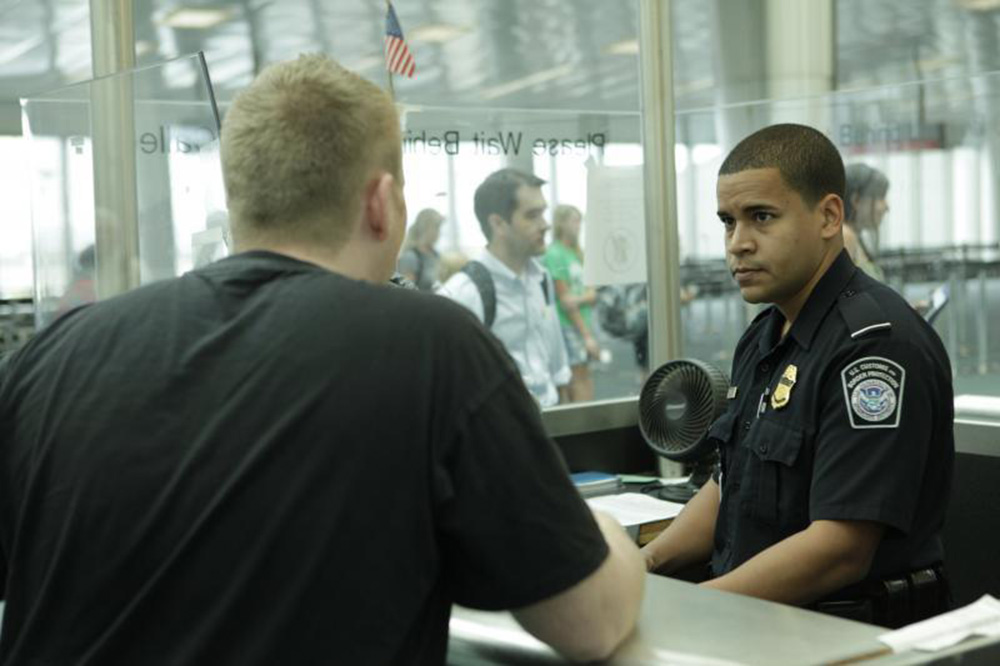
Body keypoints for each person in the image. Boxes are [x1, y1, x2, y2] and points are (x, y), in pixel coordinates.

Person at [0, 54, 645, 665]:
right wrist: (612, 537)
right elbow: (590, 622)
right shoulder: (428, 346)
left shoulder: (53, 354)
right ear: (381, 202)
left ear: (240, 199)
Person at [640, 124, 954, 628]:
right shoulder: (767, 333)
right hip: (751, 617)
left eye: (761, 217)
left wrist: (692, 608)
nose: (737, 244)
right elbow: (727, 483)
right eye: (727, 222)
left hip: (844, 632)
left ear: (829, 216)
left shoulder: (873, 347)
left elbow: (840, 548)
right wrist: (644, 566)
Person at [438, 168, 571, 408]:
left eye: (543, 213)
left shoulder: (541, 280)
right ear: (498, 224)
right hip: (498, 435)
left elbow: (558, 369)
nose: (545, 225)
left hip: (548, 425)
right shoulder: (462, 294)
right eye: (532, 215)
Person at [544, 204, 601, 402]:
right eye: (574, 221)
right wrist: (586, 336)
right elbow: (566, 301)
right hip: (568, 325)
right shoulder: (554, 254)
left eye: (580, 221)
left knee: (583, 376)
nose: (579, 226)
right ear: (561, 223)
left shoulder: (577, 252)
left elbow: (592, 292)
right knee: (576, 378)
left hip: (583, 321)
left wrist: (582, 298)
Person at [843, 163, 890, 282]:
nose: (886, 207)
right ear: (856, 200)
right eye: (880, 197)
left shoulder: (855, 236)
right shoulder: (845, 236)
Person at [397, 207, 444, 291]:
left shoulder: (435, 255)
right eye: (436, 227)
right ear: (426, 227)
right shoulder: (410, 257)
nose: (439, 232)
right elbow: (407, 291)